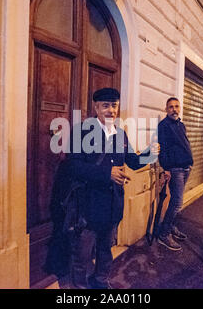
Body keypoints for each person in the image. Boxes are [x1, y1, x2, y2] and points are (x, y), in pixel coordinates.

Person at [67, 88, 159, 289]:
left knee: (105, 250)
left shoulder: (121, 134)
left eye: (114, 105)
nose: (111, 110)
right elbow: (73, 166)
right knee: (82, 255)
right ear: (96, 107)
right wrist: (107, 173)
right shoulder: (81, 131)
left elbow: (133, 162)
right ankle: (79, 288)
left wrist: (149, 154)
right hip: (88, 206)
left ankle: (100, 282)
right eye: (106, 106)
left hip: (112, 206)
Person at [157, 97, 193, 251]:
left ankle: (170, 226)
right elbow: (162, 148)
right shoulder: (164, 126)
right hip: (175, 169)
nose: (174, 109)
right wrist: (165, 168)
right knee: (177, 202)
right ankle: (164, 234)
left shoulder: (180, 124)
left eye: (176, 106)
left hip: (186, 167)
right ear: (166, 109)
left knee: (177, 201)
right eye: (171, 107)